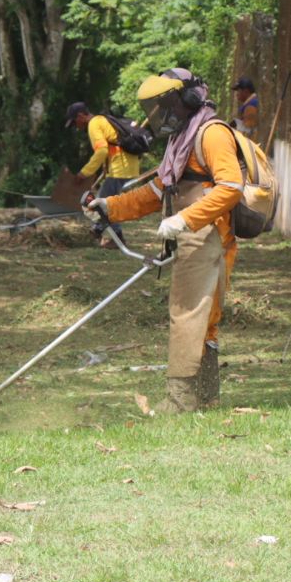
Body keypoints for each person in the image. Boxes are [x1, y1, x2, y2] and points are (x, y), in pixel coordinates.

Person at [85, 68, 243, 414]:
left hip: (208, 234)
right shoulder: (181, 139)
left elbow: (231, 188)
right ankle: (206, 398)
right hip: (192, 234)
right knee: (203, 318)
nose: (159, 115)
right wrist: (109, 207)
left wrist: (185, 219)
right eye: (156, 108)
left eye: (166, 105)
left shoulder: (211, 133)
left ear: (188, 100)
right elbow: (158, 191)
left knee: (188, 313)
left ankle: (180, 402)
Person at [65, 101, 141, 249]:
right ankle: (105, 234)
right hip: (126, 166)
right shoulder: (102, 119)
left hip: (121, 168)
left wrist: (84, 173)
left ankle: (101, 233)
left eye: (75, 122)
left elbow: (102, 151)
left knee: (102, 204)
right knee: (108, 204)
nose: (76, 126)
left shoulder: (94, 124)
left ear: (80, 116)